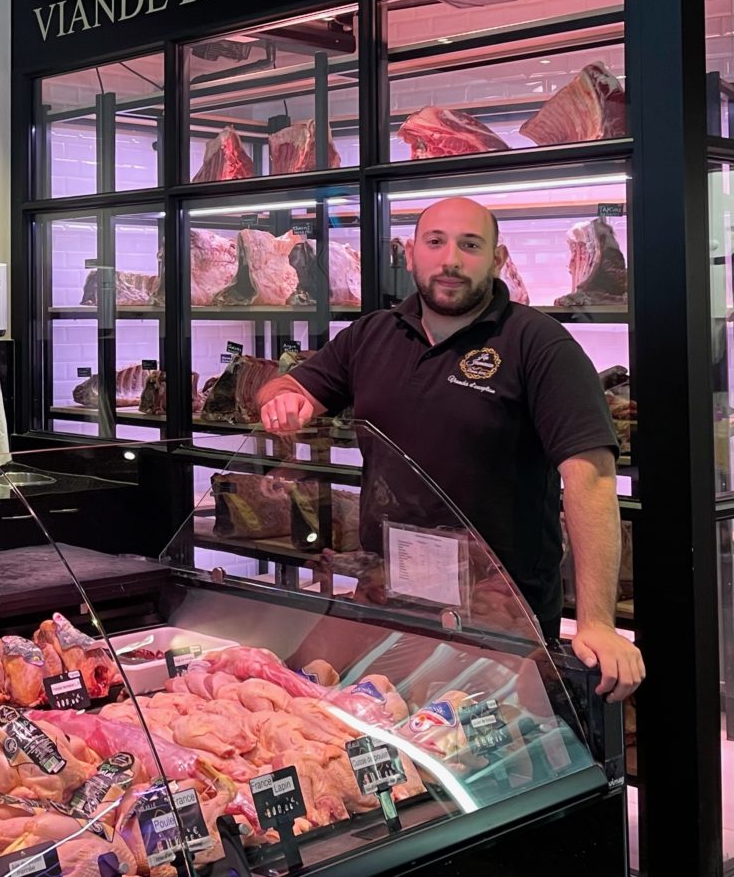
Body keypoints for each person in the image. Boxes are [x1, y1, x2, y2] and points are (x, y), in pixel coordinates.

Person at [257, 196, 644, 703]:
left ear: (497, 259)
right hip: (388, 595)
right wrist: (284, 399)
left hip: (500, 613)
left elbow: (590, 478)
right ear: (411, 253)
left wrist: (596, 623)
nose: (451, 261)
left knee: (480, 740)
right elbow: (288, 387)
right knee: (384, 730)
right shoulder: (372, 334)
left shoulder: (539, 344)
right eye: (435, 243)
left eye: (470, 245)